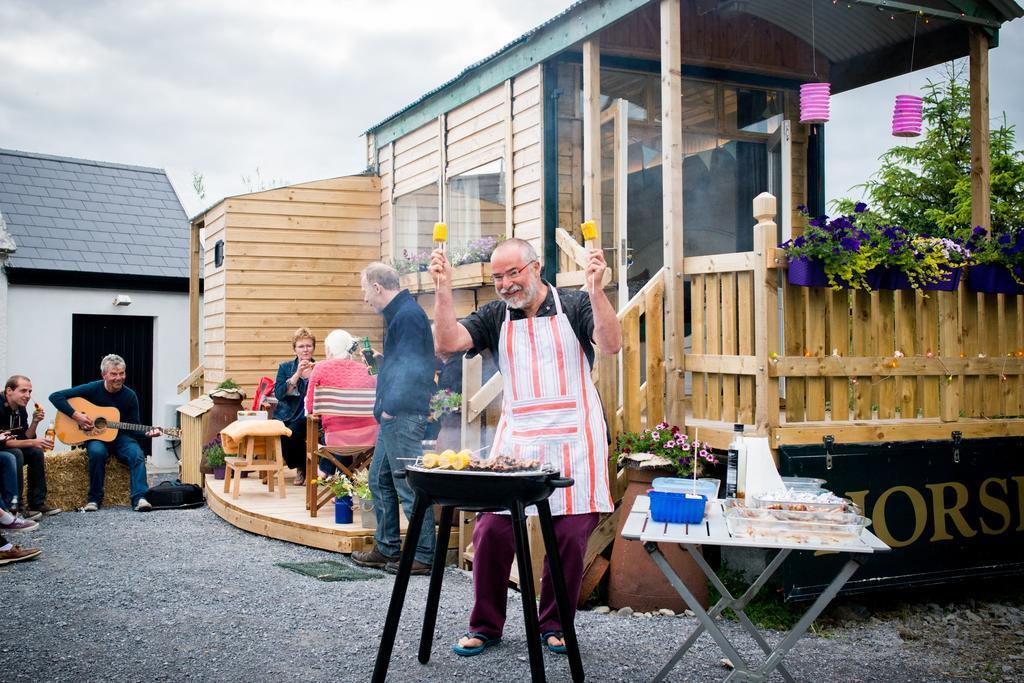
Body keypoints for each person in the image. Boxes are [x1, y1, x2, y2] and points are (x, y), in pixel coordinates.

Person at [429, 237, 621, 656]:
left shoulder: (574, 304)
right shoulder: (496, 314)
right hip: (520, 440)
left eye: (513, 273)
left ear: (535, 268)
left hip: (575, 438)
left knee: (569, 536)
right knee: (492, 530)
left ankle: (553, 624)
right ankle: (485, 626)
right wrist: (443, 290)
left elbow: (610, 343)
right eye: (498, 276)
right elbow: (447, 343)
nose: (505, 284)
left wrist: (598, 290)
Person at [350, 262, 437, 576]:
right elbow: (405, 363)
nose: (365, 299)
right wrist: (381, 361)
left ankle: (424, 555)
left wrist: (392, 406)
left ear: (377, 287)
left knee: (408, 486)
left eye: (365, 291)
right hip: (395, 414)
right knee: (379, 480)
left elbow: (416, 370)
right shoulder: (401, 316)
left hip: (402, 414)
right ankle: (386, 547)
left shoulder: (408, 316)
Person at [49, 354, 157, 512]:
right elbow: (55, 396)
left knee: (137, 454)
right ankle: (94, 499)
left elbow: (134, 427)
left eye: (122, 373)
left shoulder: (130, 396)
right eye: (114, 374)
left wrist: (146, 433)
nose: (119, 378)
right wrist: (77, 416)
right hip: (95, 436)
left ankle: (140, 498)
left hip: (120, 438)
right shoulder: (93, 388)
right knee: (97, 452)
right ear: (104, 375)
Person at [304, 328, 379, 475]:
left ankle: (338, 487)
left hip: (336, 438)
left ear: (330, 349)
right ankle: (343, 487)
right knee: (342, 427)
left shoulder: (320, 368)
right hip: (370, 438)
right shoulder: (366, 370)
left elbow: (311, 407)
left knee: (335, 430)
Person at [0, 375, 61, 517]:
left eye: (30, 392)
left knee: (35, 452)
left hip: (9, 447)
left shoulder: (21, 409)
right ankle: (17, 507)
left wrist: (35, 422)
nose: (28, 396)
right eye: (23, 391)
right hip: (4, 449)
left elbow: (25, 438)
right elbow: (5, 442)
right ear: (9, 390)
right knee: (16, 453)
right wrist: (35, 442)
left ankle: (37, 503)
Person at [273, 327, 317, 485]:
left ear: (313, 348)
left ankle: (305, 468)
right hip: (288, 414)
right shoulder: (285, 368)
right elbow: (278, 394)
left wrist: (315, 377)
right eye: (301, 346)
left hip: (311, 415)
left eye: (309, 345)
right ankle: (303, 467)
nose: (305, 349)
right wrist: (297, 374)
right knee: (285, 432)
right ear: (295, 350)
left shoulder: (320, 367)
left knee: (294, 431)